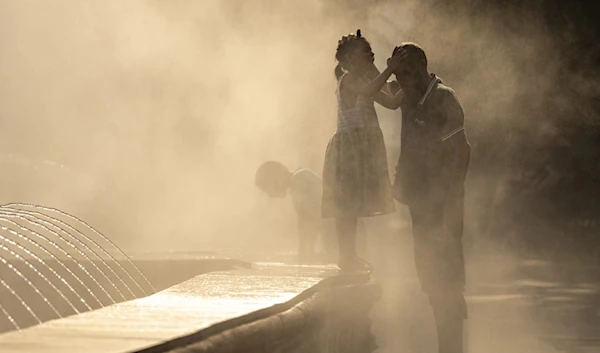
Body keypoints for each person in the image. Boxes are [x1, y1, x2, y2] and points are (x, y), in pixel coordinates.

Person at [390, 43, 471, 353]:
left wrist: (451, 201)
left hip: (443, 204)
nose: (403, 80)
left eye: (407, 72)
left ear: (423, 68)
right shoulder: (406, 95)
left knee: (447, 282)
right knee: (431, 281)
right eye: (399, 74)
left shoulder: (442, 98)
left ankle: (452, 348)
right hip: (420, 203)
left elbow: (462, 151)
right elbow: (373, 91)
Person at [322, 29, 406, 272]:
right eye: (366, 51)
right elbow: (369, 91)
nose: (371, 53)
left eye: (371, 50)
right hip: (349, 148)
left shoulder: (364, 80)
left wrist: (416, 86)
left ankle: (350, 254)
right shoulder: (348, 80)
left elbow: (390, 102)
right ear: (350, 59)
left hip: (362, 147)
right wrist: (389, 70)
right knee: (346, 207)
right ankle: (345, 255)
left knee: (354, 206)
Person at [255, 161, 336, 262]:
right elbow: (307, 219)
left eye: (267, 189)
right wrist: (305, 251)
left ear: (277, 180)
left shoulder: (299, 181)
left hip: (337, 230)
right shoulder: (298, 181)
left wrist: (303, 253)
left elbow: (309, 219)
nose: (270, 196)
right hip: (335, 229)